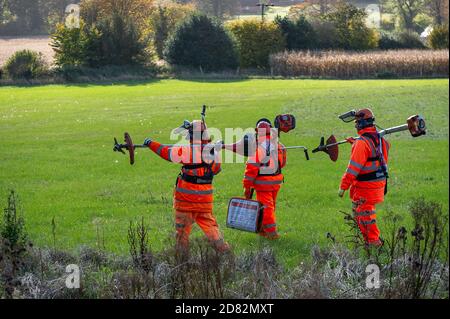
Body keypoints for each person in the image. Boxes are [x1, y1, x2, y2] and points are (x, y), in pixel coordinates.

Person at [143, 120, 230, 253]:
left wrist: (150, 143)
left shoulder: (187, 151)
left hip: (186, 201)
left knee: (182, 232)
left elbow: (166, 152)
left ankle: (182, 257)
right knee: (211, 228)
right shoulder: (213, 152)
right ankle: (224, 251)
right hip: (204, 202)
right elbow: (217, 170)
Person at [338, 108, 390, 246]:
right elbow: (373, 155)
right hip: (378, 184)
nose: (355, 126)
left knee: (365, 215)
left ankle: (373, 242)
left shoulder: (362, 143)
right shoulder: (380, 140)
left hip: (365, 187)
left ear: (360, 124)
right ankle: (370, 240)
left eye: (356, 123)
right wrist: (355, 144)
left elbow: (353, 169)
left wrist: (343, 186)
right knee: (364, 213)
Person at [242, 118, 287, 239]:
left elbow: (251, 170)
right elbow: (282, 164)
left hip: (263, 185)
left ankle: (272, 235)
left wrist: (247, 187)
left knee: (267, 209)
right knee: (270, 207)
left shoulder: (257, 148)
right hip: (276, 182)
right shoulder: (279, 146)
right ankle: (262, 230)